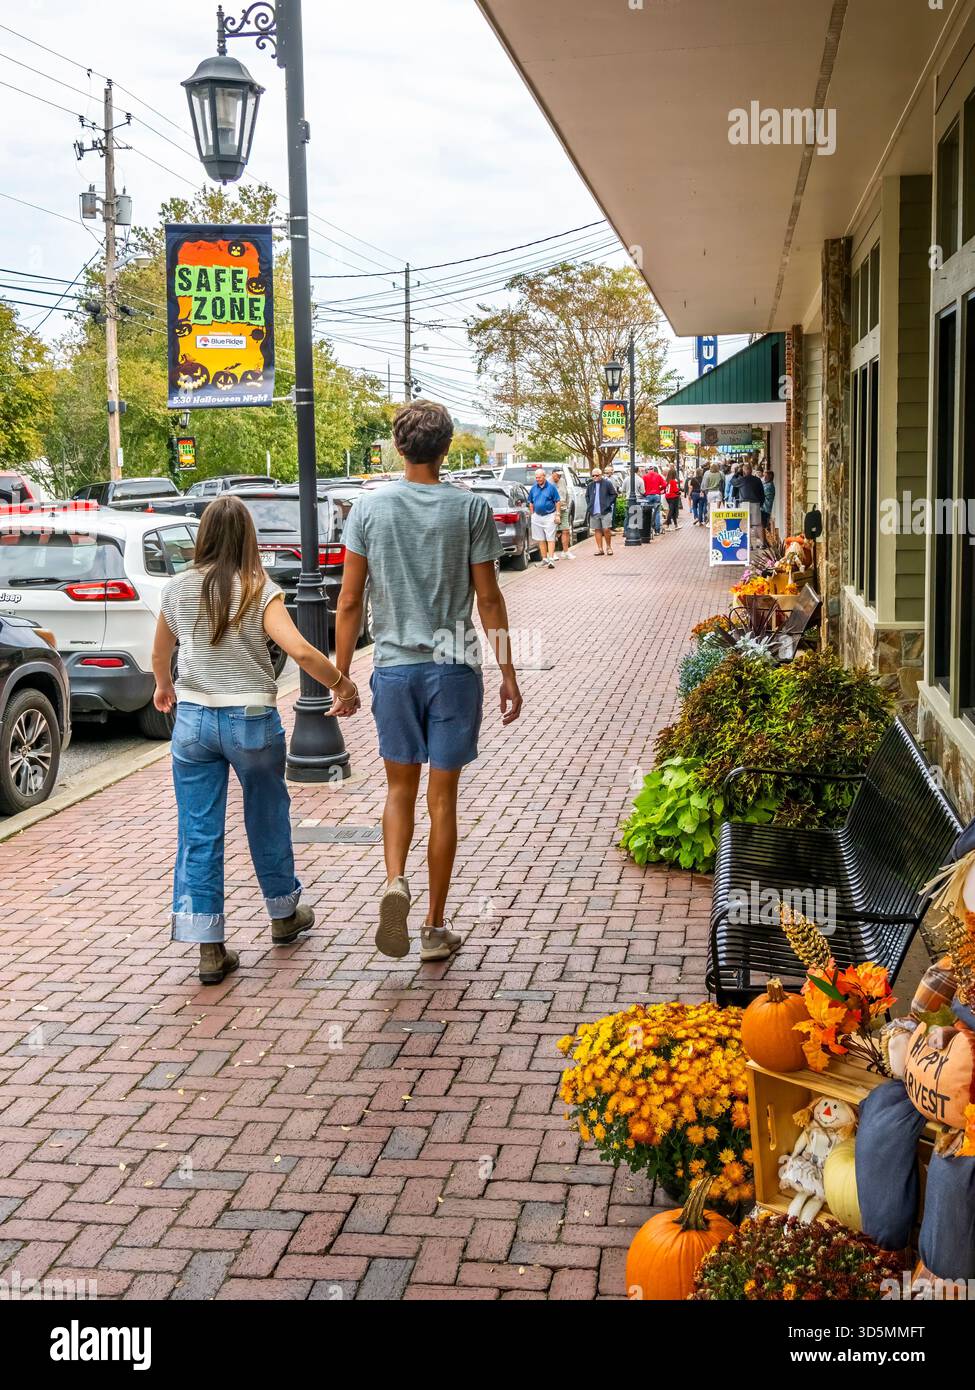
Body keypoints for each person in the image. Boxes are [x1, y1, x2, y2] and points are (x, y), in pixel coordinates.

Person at [334, 400, 522, 964]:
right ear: (446, 449)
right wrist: (509, 671)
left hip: (393, 668)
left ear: (398, 447)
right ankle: (435, 928)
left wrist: (341, 677)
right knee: (444, 801)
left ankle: (395, 881)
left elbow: (347, 600)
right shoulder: (470, 510)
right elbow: (488, 599)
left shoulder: (367, 511)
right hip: (454, 668)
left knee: (398, 788)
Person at [151, 494, 360, 986]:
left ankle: (209, 947)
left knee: (198, 831)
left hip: (194, 722)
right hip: (250, 719)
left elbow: (161, 652)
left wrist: (164, 687)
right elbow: (302, 652)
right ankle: (284, 916)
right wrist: (342, 685)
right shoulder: (258, 587)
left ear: (202, 537)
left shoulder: (177, 588)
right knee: (267, 817)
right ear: (249, 538)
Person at [528, 467, 561, 569]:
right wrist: (532, 513)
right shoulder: (533, 488)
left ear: (544, 476)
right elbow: (530, 502)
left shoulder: (551, 488)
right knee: (540, 539)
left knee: (550, 538)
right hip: (537, 516)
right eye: (536, 478)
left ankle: (551, 559)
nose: (538, 479)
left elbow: (557, 501)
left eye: (539, 477)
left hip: (549, 516)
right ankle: (544, 559)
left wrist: (557, 514)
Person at [586, 466, 615, 554]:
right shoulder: (590, 485)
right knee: (597, 529)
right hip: (594, 512)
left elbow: (613, 494)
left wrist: (608, 504)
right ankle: (600, 549)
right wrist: (589, 505)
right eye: (593, 475)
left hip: (605, 511)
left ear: (601, 475)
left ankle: (609, 547)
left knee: (606, 529)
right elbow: (587, 496)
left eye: (597, 475)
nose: (595, 477)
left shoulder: (607, 483)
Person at [551, 467, 575, 560]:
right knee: (552, 532)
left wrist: (567, 505)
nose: (559, 476)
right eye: (557, 474)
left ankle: (565, 552)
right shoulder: (548, 483)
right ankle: (552, 553)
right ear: (553, 473)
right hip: (552, 510)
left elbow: (566, 494)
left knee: (566, 530)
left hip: (564, 509)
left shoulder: (563, 481)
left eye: (560, 474)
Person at [642, 461, 666, 536]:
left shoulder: (645, 477)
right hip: (656, 495)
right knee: (657, 513)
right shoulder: (658, 476)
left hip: (648, 496)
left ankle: (649, 529)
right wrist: (660, 489)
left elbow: (643, 487)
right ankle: (657, 530)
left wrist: (645, 492)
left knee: (647, 513)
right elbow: (665, 484)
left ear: (647, 470)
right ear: (653, 469)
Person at [762, 467, 776, 534]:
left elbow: (761, 493)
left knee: (763, 527)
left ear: (769, 477)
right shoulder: (767, 484)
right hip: (765, 509)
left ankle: (764, 542)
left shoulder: (769, 486)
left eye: (765, 476)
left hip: (765, 509)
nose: (764, 477)